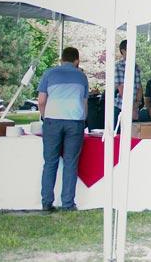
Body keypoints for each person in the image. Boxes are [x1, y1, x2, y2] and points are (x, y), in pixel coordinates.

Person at [38, 47, 89, 212]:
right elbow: (84, 103)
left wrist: (45, 116)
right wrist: (83, 118)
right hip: (74, 120)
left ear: (61, 60)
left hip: (53, 119)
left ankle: (47, 202)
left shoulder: (49, 73)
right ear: (77, 61)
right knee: (71, 163)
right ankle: (67, 203)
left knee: (50, 162)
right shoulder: (81, 76)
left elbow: (41, 100)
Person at [113, 40, 143, 128]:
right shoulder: (118, 67)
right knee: (118, 137)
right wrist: (131, 108)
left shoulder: (136, 67)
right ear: (123, 51)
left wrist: (137, 104)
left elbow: (139, 87)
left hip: (133, 107)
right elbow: (122, 90)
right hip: (120, 107)